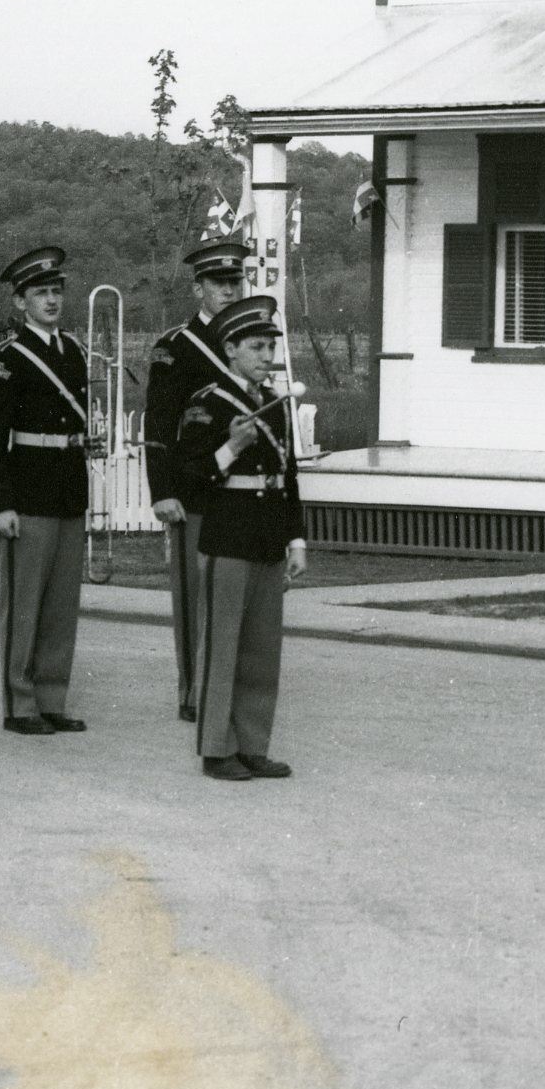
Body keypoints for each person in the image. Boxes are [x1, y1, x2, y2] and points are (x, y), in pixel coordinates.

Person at [172, 294, 307, 782]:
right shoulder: (207, 403)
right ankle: (215, 748)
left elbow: (287, 476)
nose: (266, 356)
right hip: (227, 536)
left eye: (270, 346)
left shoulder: (273, 405)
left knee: (261, 651)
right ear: (230, 349)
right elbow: (188, 479)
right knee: (222, 645)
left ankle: (252, 744)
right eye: (256, 347)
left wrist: (296, 541)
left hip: (268, 536)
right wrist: (230, 447)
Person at [0, 245, 97, 733]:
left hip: (69, 488)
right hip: (28, 492)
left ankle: (53, 699)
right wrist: (2, 504)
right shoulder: (7, 358)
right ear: (20, 303)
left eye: (56, 292)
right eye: (39, 293)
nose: (51, 301)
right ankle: (20, 703)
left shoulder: (72, 351)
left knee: (60, 606)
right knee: (25, 604)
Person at [145, 236, 253, 722]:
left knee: (235, 595)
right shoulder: (177, 346)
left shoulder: (252, 343)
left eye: (235, 280)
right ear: (198, 289)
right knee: (194, 596)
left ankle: (227, 685)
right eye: (218, 283)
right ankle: (194, 691)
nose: (229, 290)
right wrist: (161, 490)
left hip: (240, 491)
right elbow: (159, 424)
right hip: (192, 489)